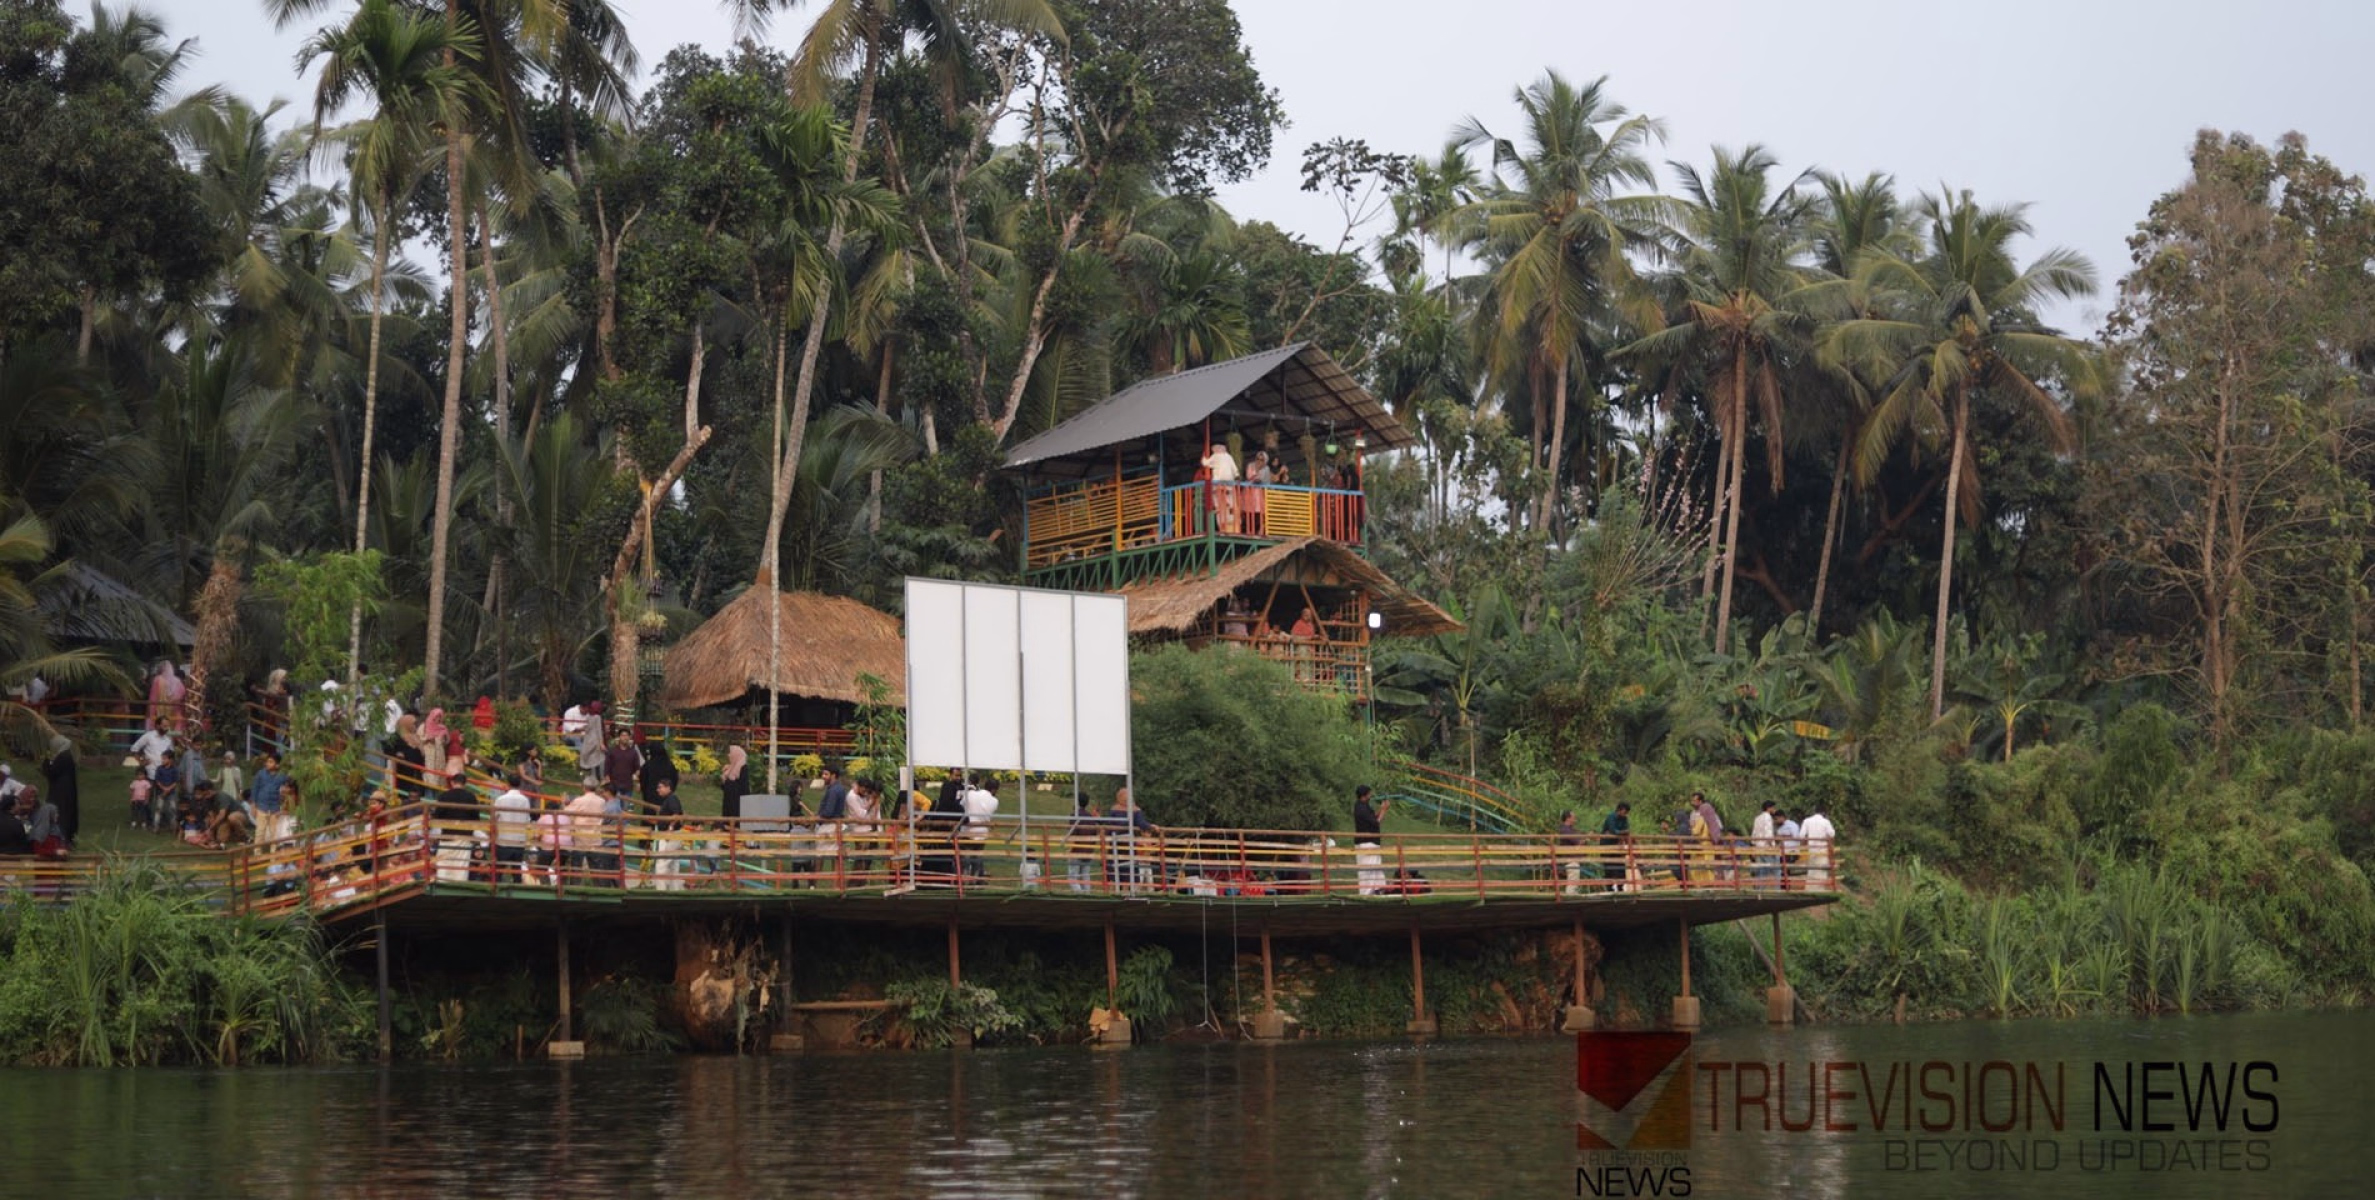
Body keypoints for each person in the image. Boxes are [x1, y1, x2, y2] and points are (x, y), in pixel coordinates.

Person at [1106, 787, 1156, 890]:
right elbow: (1109, 825)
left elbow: (1141, 823)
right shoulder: (1117, 809)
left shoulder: (1134, 810)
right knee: (1118, 870)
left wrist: (1151, 827)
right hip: (1119, 844)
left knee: (1126, 870)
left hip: (1123, 844)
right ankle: (1115, 891)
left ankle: (1122, 891)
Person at [491, 772, 533, 883]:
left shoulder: (500, 799)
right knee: (516, 869)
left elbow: (494, 818)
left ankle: (495, 891)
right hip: (519, 840)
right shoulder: (525, 800)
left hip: (503, 840)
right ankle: (517, 890)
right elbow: (527, 819)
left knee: (499, 869)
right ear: (519, 784)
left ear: (508, 783)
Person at [41, 734, 78, 847]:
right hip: (67, 789)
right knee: (65, 812)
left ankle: (61, 838)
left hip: (60, 791)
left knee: (60, 813)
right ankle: (66, 838)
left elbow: (52, 773)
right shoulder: (66, 756)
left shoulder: (62, 757)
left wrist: (46, 762)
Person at [960, 777, 999, 880]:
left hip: (967, 831)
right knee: (977, 857)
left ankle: (963, 879)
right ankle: (975, 880)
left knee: (965, 857)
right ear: (994, 790)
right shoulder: (994, 801)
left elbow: (961, 805)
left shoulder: (970, 794)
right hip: (982, 833)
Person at [1353, 784, 1387, 896]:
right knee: (1368, 870)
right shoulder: (1361, 808)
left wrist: (1381, 810)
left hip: (1370, 842)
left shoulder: (1362, 806)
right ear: (1365, 795)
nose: (1371, 795)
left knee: (1376, 867)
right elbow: (1376, 822)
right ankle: (1367, 894)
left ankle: (1378, 890)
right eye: (1369, 793)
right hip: (1367, 842)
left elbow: (1372, 817)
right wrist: (1384, 810)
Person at [1065, 795, 1104, 893]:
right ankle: (1087, 893)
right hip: (1088, 850)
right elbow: (1095, 833)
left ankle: (1080, 893)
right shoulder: (1090, 817)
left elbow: (1073, 833)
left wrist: (1070, 848)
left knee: (1072, 876)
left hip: (1077, 850)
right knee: (1085, 875)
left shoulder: (1075, 815)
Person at [1599, 802, 1638, 892]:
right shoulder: (1611, 817)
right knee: (1608, 867)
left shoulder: (1624, 818)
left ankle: (1621, 887)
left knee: (1620, 866)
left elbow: (1627, 831)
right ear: (1619, 810)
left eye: (1627, 812)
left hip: (1617, 845)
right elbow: (1614, 831)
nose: (1626, 814)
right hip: (1606, 846)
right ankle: (1610, 888)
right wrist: (1622, 832)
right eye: (1625, 811)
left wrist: (1621, 833)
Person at [1202, 442, 1240, 533]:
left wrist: (1204, 457)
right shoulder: (1228, 456)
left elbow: (1206, 463)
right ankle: (1231, 527)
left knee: (1220, 505)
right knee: (1229, 504)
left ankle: (1224, 527)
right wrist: (1237, 475)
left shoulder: (1216, 455)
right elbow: (1234, 469)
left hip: (1219, 481)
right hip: (1229, 482)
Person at [1799, 803, 1837, 890]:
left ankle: (1810, 889)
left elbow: (1801, 835)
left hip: (1811, 849)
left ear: (1814, 811)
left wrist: (1805, 842)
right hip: (1822, 850)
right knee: (1821, 871)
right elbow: (1832, 834)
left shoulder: (1807, 821)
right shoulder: (1826, 822)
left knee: (1811, 870)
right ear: (1823, 812)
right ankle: (1819, 889)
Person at [638, 738, 680, 813]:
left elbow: (643, 779)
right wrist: (670, 790)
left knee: (649, 818)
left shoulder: (648, 765)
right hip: (666, 795)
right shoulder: (669, 765)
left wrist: (644, 790)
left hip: (650, 797)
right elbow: (675, 778)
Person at [1243, 449, 1272, 535]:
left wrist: (1260, 480)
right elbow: (1249, 476)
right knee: (1249, 512)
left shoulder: (1266, 468)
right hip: (1250, 492)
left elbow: (1267, 481)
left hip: (1260, 493)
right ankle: (1249, 531)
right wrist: (1256, 475)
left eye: (1262, 460)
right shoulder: (1250, 465)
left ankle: (1260, 531)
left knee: (1260, 513)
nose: (1259, 461)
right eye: (1258, 459)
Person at [1556, 810, 1584, 896]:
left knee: (1574, 881)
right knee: (1572, 882)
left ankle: (1572, 896)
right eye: (1573, 817)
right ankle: (1569, 898)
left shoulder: (1570, 829)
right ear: (1568, 818)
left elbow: (1578, 841)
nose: (1575, 819)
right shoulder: (1565, 830)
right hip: (1570, 859)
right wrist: (1584, 840)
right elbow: (1577, 841)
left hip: (1573, 858)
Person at [1751, 799, 1779, 883]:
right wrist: (1773, 847)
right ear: (1768, 808)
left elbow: (1754, 834)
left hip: (1758, 847)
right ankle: (1778, 890)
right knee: (1777, 869)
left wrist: (1753, 847)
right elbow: (1768, 835)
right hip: (1766, 847)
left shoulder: (1757, 818)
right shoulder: (1768, 817)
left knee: (1761, 870)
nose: (1774, 809)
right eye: (1773, 807)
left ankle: (1759, 891)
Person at [1774, 808, 1803, 890]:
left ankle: (1785, 886)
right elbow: (1778, 839)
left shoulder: (1792, 825)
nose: (1776, 821)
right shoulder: (1780, 828)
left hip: (1791, 851)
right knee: (1781, 869)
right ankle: (1783, 886)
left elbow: (1796, 837)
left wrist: (1783, 837)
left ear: (1782, 817)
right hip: (1782, 851)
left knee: (1785, 868)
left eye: (1777, 819)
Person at [719, 744, 748, 821]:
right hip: (728, 802)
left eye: (731, 753)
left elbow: (743, 787)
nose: (729, 755)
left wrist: (728, 782)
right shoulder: (730, 768)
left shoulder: (742, 768)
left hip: (737, 803)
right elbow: (724, 786)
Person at [215, 750, 244, 815]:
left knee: (233, 805)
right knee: (224, 804)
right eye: (225, 759)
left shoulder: (237, 770)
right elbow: (218, 780)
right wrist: (210, 780)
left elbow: (240, 782)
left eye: (229, 759)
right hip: (225, 789)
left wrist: (240, 792)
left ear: (233, 760)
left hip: (233, 790)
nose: (227, 761)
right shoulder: (222, 769)